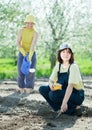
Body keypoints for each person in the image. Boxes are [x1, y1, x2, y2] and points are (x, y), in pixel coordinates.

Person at [39, 43, 85, 116]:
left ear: (71, 54)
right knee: (42, 89)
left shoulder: (73, 67)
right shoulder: (59, 65)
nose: (66, 54)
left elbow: (70, 86)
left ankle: (75, 107)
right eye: (63, 52)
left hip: (76, 94)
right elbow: (51, 80)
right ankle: (61, 109)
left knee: (53, 94)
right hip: (63, 89)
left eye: (68, 52)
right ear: (60, 53)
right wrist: (51, 86)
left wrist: (64, 102)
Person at [17, 15, 38, 94]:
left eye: (31, 23)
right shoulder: (21, 31)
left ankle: (29, 88)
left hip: (31, 53)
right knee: (20, 70)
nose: (29, 25)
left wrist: (29, 56)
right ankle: (21, 87)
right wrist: (23, 52)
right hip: (22, 52)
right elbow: (18, 42)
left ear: (34, 24)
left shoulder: (35, 33)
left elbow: (33, 45)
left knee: (31, 71)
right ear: (25, 23)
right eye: (28, 23)